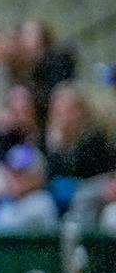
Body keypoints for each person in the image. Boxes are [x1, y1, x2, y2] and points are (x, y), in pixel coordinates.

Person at [46, 83, 116, 213]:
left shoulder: (94, 139)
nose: (59, 114)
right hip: (66, 196)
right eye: (56, 108)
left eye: (65, 108)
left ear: (79, 111)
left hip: (92, 193)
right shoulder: (52, 139)